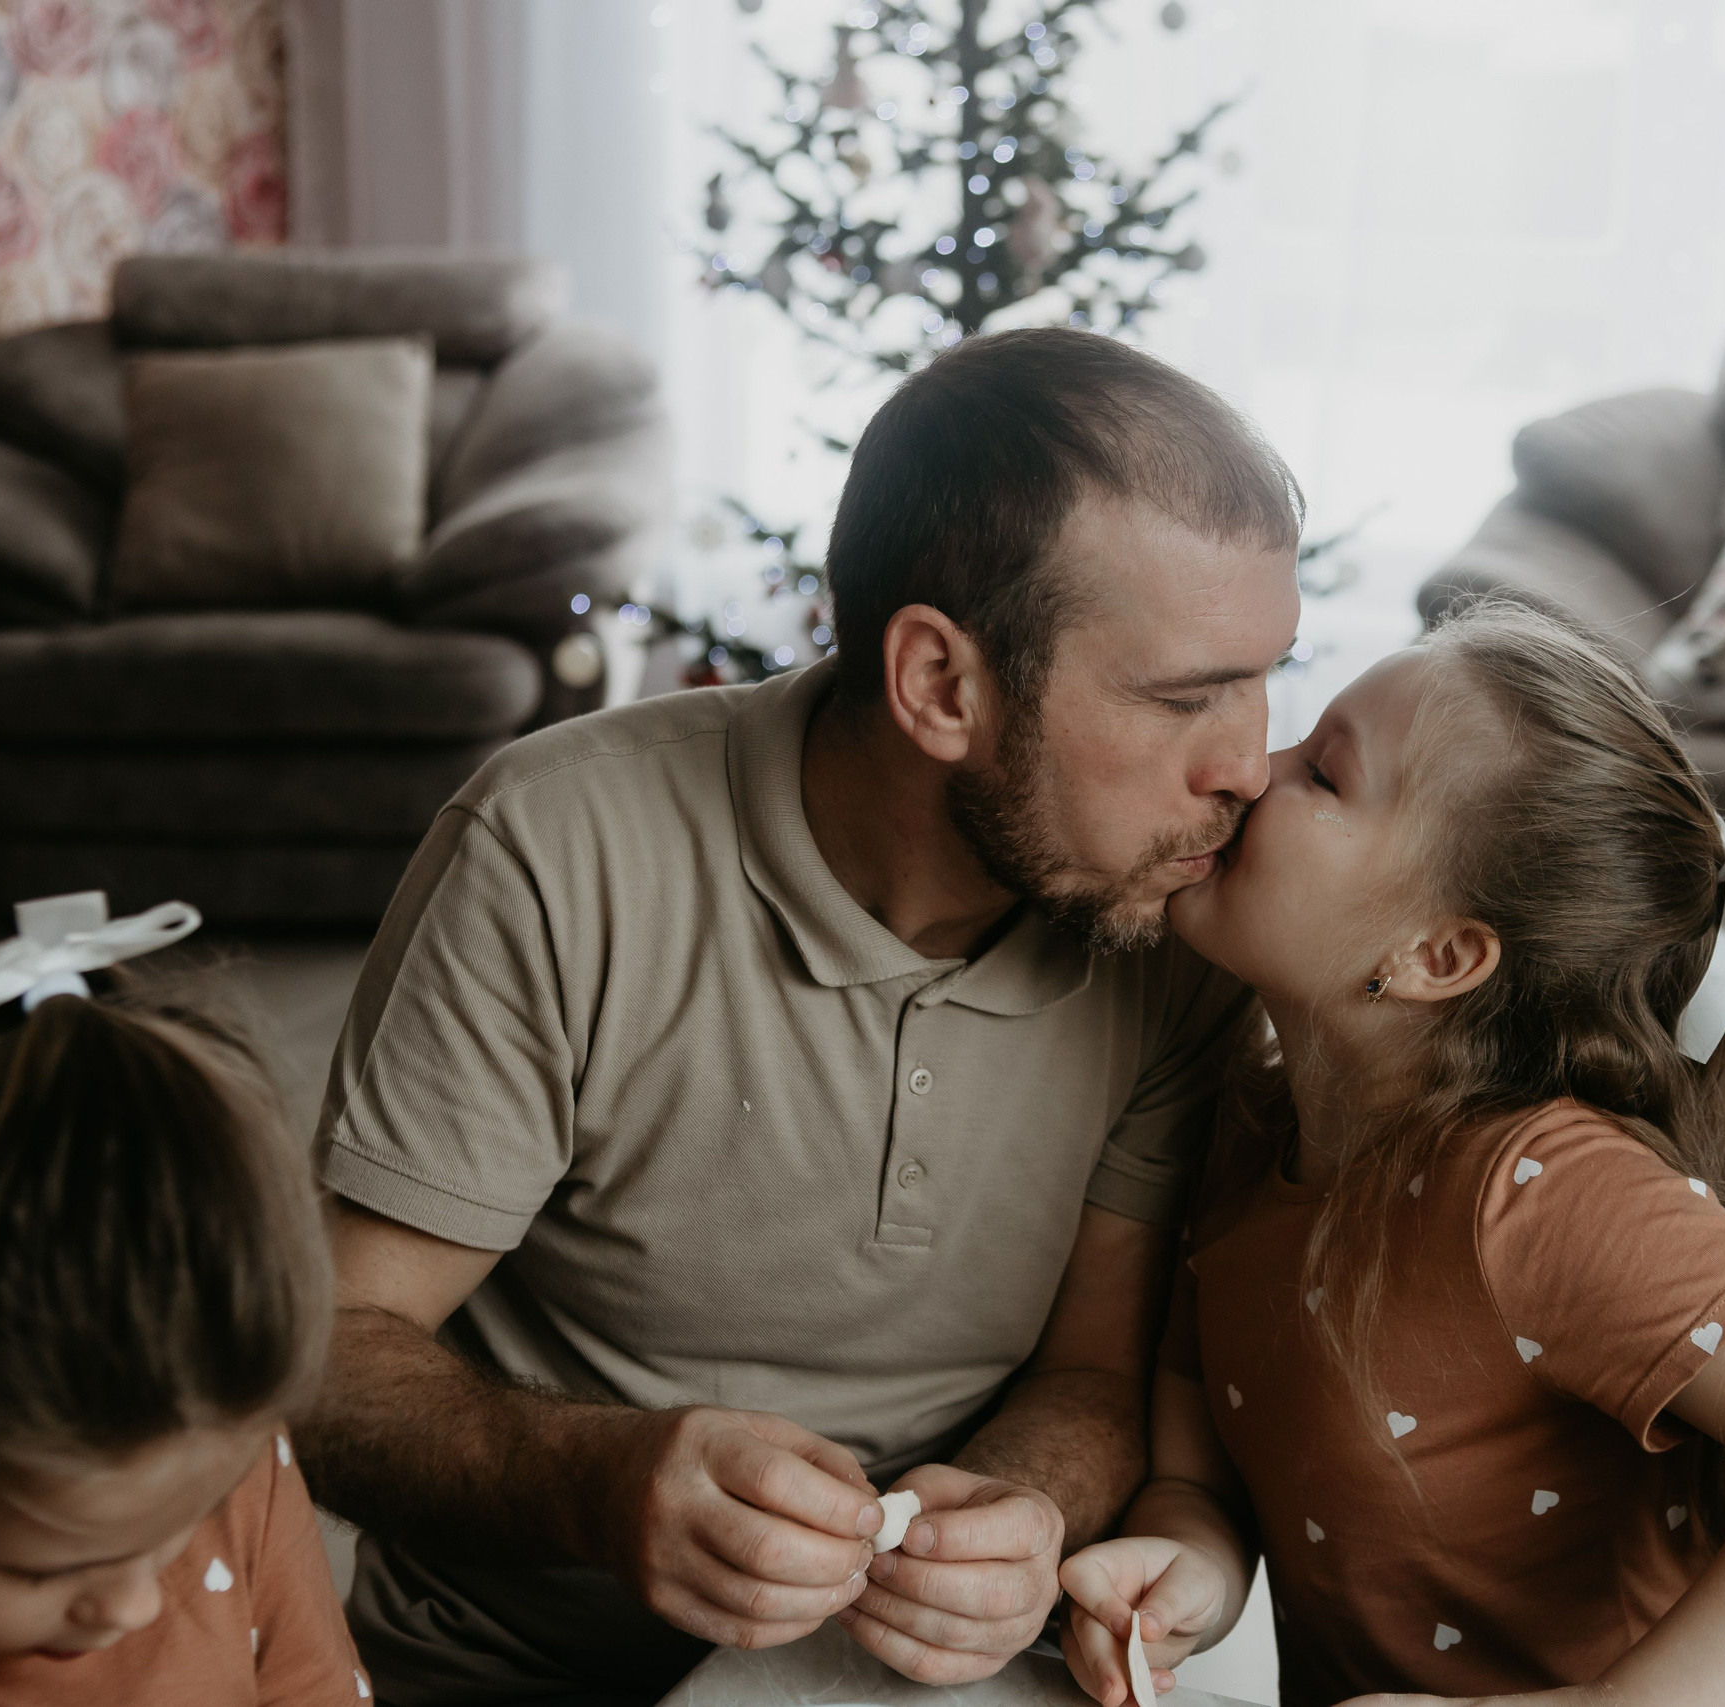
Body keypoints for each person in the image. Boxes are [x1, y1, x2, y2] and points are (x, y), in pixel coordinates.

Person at [297, 328, 1305, 1702]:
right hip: (529, 1664)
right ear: (941, 683)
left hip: (920, 1676)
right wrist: (600, 1482)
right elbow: (327, 1355)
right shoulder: (552, 849)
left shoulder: (1163, 911)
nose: (1249, 764)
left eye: (1266, 677)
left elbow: (1093, 1369)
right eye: (1186, 696)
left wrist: (1021, 1510)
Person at [1057, 600, 1725, 1707]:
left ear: (1434, 954)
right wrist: (1190, 1571)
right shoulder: (1246, 1136)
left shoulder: (1538, 1189)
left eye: (1322, 772)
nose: (1252, 769)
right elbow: (1197, 1469)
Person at [0, 912, 364, 1705]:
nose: (132, 1605)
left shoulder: (224, 1452)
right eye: (36, 1568)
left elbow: (311, 1686)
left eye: (179, 1529)